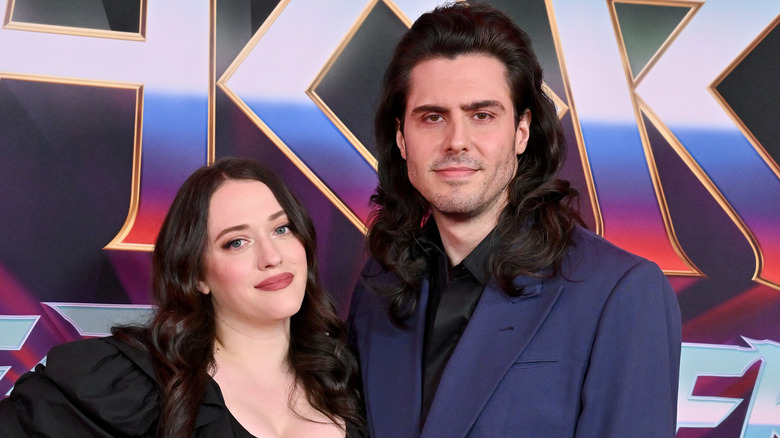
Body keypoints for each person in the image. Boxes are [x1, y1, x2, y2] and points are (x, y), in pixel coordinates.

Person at [347, 2, 681, 437]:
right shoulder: (380, 285)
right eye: (433, 117)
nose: (456, 141)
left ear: (522, 131)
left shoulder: (621, 292)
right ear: (401, 137)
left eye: (482, 115)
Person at [0, 157, 365, 437]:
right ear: (197, 275)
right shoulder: (129, 385)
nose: (272, 256)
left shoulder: (356, 379)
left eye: (282, 229)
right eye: (236, 242)